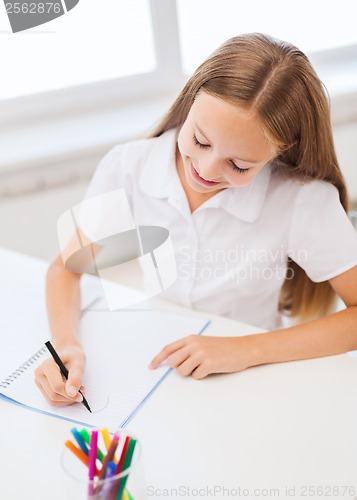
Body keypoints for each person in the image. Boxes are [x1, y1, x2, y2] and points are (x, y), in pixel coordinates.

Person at [35, 33, 357, 406]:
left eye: (239, 165)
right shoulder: (129, 167)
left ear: (281, 151)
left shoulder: (301, 200)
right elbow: (65, 269)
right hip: (135, 372)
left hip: (247, 386)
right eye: (200, 141)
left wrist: (243, 350)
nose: (204, 170)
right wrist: (67, 346)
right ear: (189, 103)